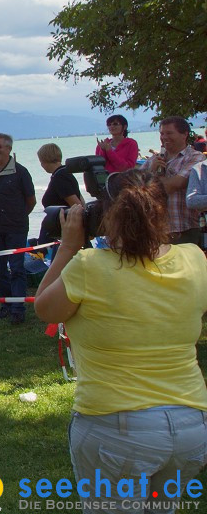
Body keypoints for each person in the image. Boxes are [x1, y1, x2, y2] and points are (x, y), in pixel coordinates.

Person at [34, 171, 207, 511]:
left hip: (117, 427)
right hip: (191, 424)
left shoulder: (89, 266)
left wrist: (69, 245)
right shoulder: (194, 259)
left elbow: (45, 308)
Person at [0, 133, 36, 325]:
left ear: (8, 148)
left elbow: (31, 201)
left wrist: (18, 217)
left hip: (16, 229)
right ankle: (5, 304)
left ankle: (18, 307)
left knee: (17, 268)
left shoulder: (21, 172)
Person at [141, 117, 205, 245]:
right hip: (154, 229)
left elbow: (173, 185)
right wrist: (151, 171)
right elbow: (132, 186)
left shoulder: (195, 158)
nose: (164, 137)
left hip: (183, 230)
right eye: (162, 133)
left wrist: (151, 178)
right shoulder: (154, 159)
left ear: (184, 134)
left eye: (169, 133)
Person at [37, 143, 84, 208]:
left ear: (45, 160)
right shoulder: (65, 172)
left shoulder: (60, 177)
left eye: (41, 162)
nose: (41, 165)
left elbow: (77, 205)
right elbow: (80, 198)